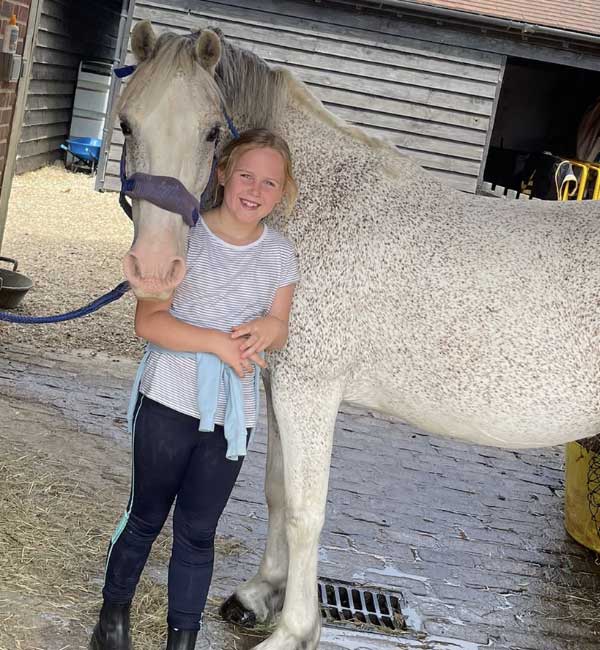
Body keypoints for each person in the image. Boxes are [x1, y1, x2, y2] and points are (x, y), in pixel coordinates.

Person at [90, 128, 299, 650]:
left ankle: (182, 640)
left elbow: (280, 325)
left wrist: (265, 332)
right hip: (167, 400)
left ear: (282, 192)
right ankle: (111, 622)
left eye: (269, 183)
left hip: (232, 418)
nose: (255, 189)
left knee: (198, 533)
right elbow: (150, 322)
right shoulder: (185, 238)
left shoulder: (280, 256)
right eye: (246, 175)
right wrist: (217, 344)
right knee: (145, 516)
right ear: (222, 172)